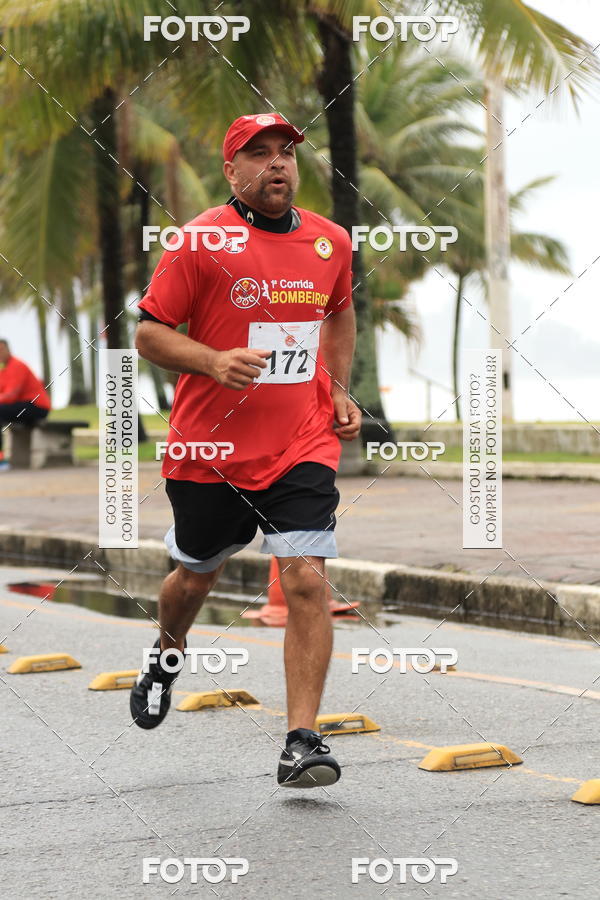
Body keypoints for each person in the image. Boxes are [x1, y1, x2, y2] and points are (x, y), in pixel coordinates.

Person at [131, 113, 361, 788]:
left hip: (302, 442)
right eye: (256, 154)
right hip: (210, 451)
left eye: (285, 152)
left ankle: (302, 741)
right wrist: (211, 360)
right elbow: (149, 334)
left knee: (304, 580)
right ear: (231, 171)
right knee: (194, 577)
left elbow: (340, 309)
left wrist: (339, 390)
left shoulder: (330, 241)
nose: (276, 164)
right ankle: (166, 653)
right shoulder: (200, 240)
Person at [0, 339, 51, 470]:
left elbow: (11, 395)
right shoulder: (4, 371)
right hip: (23, 405)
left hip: (37, 406)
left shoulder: (17, 365)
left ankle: (1, 460)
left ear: (8, 350)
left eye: (1, 349)